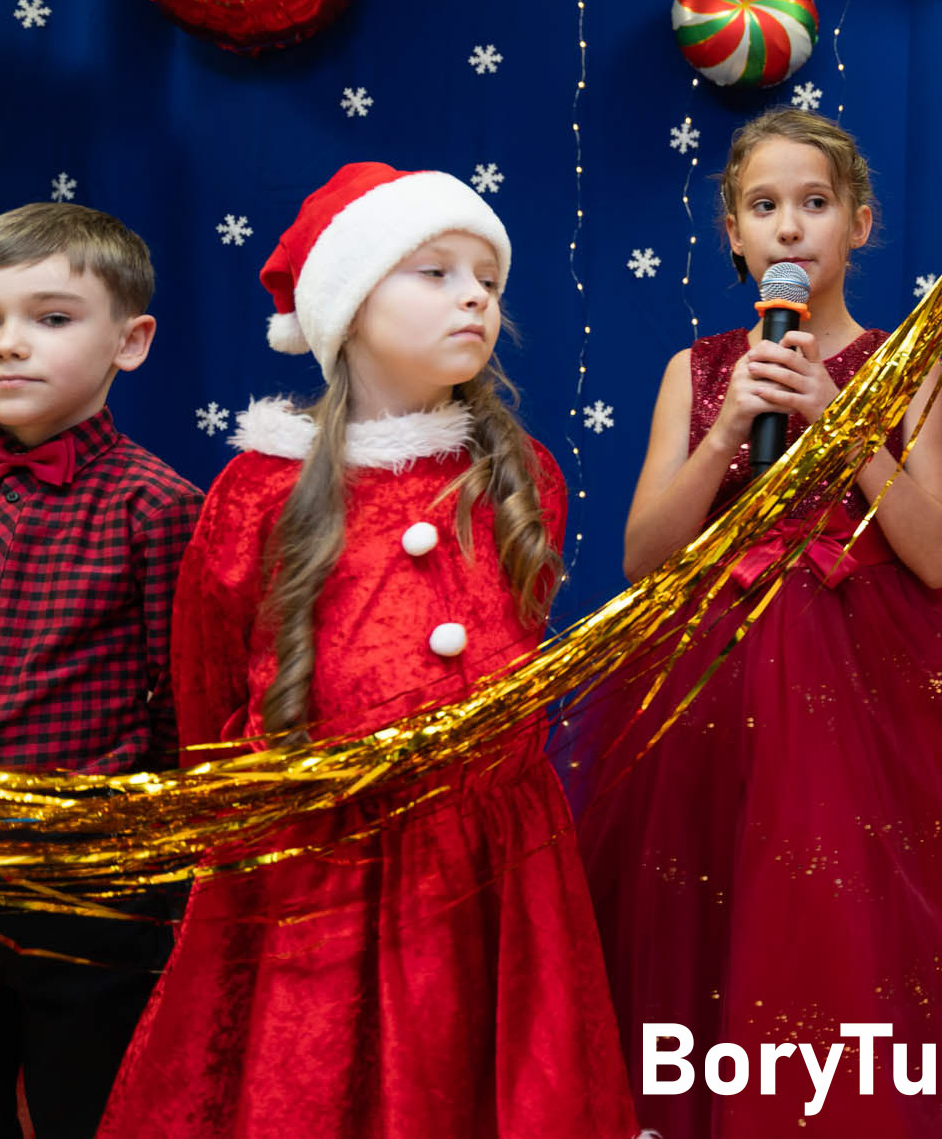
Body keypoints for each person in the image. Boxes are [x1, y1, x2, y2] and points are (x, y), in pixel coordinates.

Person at [98, 163, 636, 1139]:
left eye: (486, 276)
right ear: (346, 305)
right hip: (318, 869)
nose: (474, 293)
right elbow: (207, 689)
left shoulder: (522, 479)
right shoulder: (256, 493)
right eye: (433, 271)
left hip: (492, 864)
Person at [578, 111, 942, 1139]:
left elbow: (936, 553)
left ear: (858, 225)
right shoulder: (696, 371)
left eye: (815, 205)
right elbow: (644, 557)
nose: (790, 228)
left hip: (872, 686)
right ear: (734, 233)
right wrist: (730, 428)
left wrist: (844, 425)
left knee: (866, 923)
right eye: (765, 207)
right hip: (718, 680)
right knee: (718, 913)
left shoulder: (903, 365)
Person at [0, 202, 201, 1139]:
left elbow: (181, 711)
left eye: (52, 318)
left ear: (131, 341)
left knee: (91, 1107)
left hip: (86, 889)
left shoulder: (159, 508)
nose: (9, 347)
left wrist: (142, 863)